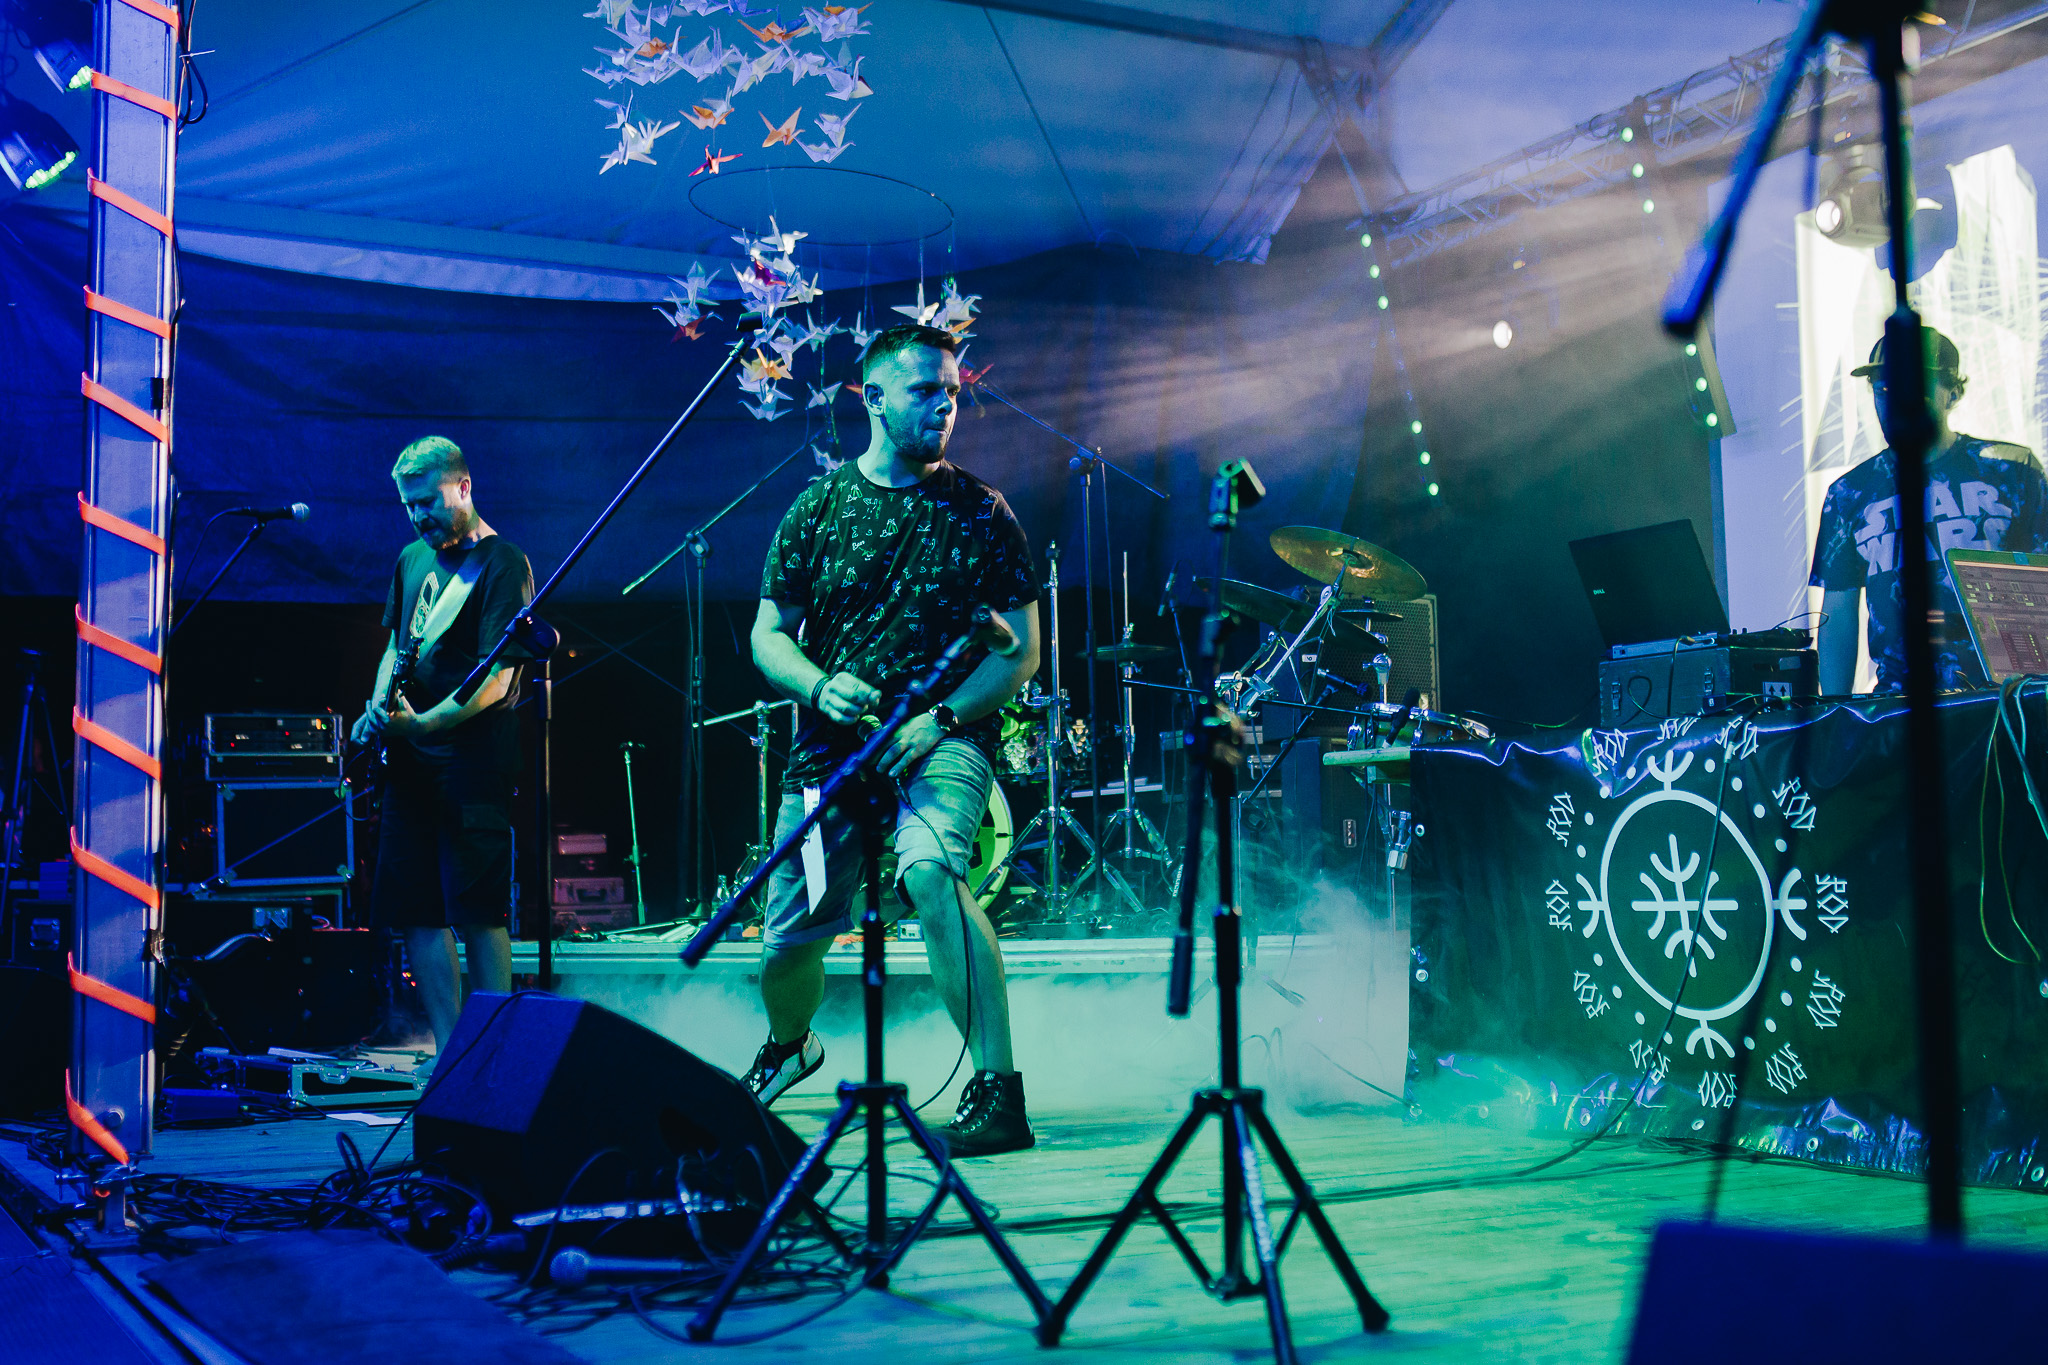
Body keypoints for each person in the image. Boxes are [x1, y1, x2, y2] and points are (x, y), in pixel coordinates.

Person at [745, 323, 1043, 1156]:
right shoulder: (818, 507)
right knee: (789, 937)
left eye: (952, 391)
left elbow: (1023, 650)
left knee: (933, 868)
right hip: (829, 756)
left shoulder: (984, 510)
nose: (945, 405)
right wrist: (817, 684)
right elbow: (768, 634)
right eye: (924, 391)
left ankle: (999, 1091)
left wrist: (942, 716)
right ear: (872, 398)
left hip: (943, 741)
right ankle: (791, 1044)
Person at [352, 436, 535, 1056]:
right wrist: (379, 706)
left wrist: (422, 725)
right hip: (409, 765)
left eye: (427, 502)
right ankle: (452, 1053)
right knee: (417, 912)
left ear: (463, 487)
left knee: (478, 912)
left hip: (471, 764)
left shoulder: (503, 563)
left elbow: (497, 681)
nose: (417, 516)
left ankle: (494, 1051)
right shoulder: (410, 559)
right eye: (408, 505)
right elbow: (394, 648)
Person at [1811, 328, 2048, 695]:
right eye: (1882, 390)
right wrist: (1835, 714)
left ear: (1953, 393)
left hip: (2005, 701)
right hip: (1899, 705)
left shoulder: (2013, 469)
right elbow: (1838, 615)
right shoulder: (1849, 493)